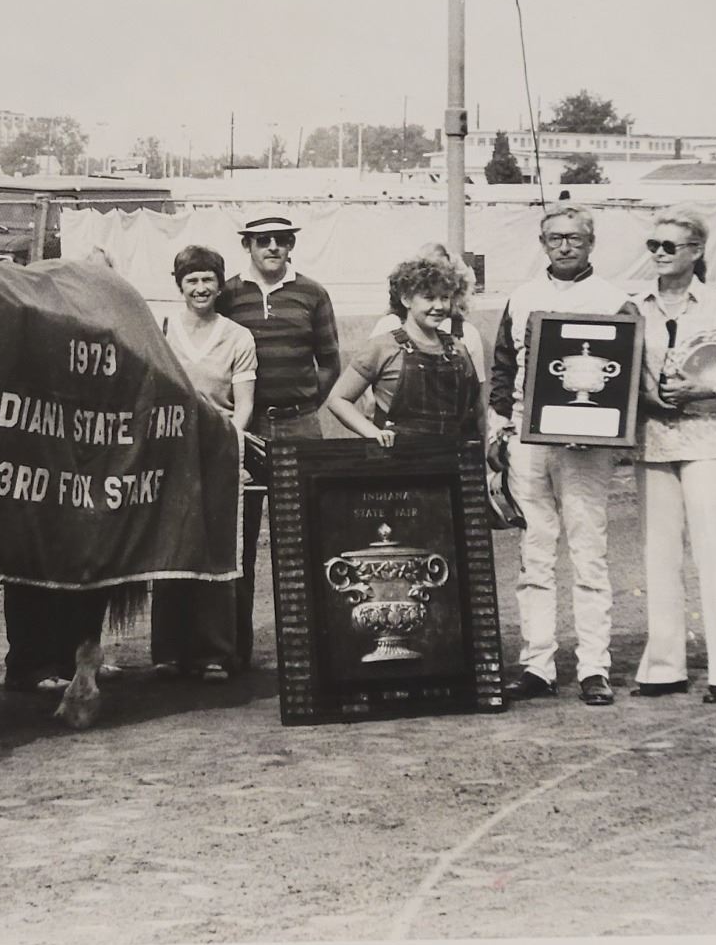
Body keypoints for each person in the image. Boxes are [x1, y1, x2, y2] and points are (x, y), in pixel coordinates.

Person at [487, 204, 632, 706]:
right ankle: (538, 665)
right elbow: (504, 367)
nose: (564, 246)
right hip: (529, 437)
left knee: (589, 553)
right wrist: (500, 428)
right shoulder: (523, 296)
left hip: (588, 445)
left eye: (573, 238)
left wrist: (607, 430)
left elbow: (627, 377)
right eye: (554, 238)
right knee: (535, 553)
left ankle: (595, 667)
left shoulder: (615, 301)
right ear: (542, 243)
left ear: (591, 242)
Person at [629, 206, 716, 704]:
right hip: (654, 441)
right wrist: (644, 399)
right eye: (654, 246)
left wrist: (705, 386)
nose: (660, 255)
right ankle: (664, 666)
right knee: (658, 556)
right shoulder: (634, 306)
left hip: (710, 440)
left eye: (670, 246)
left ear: (696, 251)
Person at [216, 213, 342, 670]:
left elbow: (330, 361)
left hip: (299, 428)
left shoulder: (313, 294)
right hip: (244, 429)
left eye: (281, 240)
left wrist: (304, 403)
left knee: (303, 539)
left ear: (292, 246)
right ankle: (234, 649)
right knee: (239, 542)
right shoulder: (228, 293)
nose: (272, 247)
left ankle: (307, 645)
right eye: (262, 240)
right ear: (247, 245)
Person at [151, 245, 259, 681]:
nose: (200, 288)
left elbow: (244, 405)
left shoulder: (238, 337)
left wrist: (225, 443)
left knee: (218, 550)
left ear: (219, 284)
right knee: (170, 548)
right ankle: (168, 652)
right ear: (179, 285)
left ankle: (214, 651)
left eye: (208, 279)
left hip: (220, 452)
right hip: (171, 452)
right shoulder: (160, 328)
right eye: (191, 280)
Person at [326, 253, 481, 448]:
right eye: (429, 298)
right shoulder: (381, 347)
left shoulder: (458, 350)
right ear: (406, 299)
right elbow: (337, 399)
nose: (439, 306)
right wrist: (373, 433)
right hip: (397, 463)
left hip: (447, 462)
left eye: (445, 298)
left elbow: (477, 409)